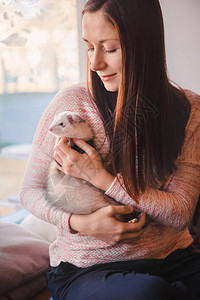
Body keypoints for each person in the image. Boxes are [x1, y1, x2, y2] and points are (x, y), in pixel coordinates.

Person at [20, 0, 200, 299]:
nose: (95, 63)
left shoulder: (190, 109)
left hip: (173, 260)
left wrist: (100, 177)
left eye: (110, 48)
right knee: (148, 292)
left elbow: (179, 213)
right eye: (89, 47)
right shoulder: (70, 106)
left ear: (145, 46)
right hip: (88, 269)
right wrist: (80, 224)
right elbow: (29, 190)